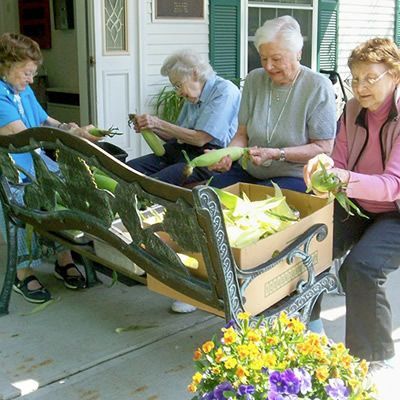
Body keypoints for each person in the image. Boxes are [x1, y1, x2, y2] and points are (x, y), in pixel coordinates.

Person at [304, 37, 400, 373]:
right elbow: (338, 160)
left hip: (396, 212)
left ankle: (376, 357)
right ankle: (310, 327)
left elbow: (393, 186)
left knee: (362, 268)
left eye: (370, 78)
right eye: (354, 78)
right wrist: (321, 171)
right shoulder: (352, 111)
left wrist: (341, 177)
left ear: (395, 75)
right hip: (359, 203)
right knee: (308, 245)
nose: (360, 87)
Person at [0, 32, 99, 304]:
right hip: (11, 169)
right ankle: (23, 272)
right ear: (6, 66)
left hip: (34, 161)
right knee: (21, 204)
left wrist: (73, 129)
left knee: (65, 195)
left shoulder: (23, 88)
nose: (31, 80)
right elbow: (25, 137)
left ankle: (63, 258)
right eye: (26, 73)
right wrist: (71, 137)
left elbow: (44, 120)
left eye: (33, 73)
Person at [208, 15, 337, 192]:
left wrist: (277, 154)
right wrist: (227, 155)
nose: (268, 66)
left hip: (295, 176)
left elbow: (323, 148)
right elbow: (242, 134)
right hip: (250, 171)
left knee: (259, 202)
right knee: (208, 194)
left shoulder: (317, 86)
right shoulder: (254, 79)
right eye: (263, 58)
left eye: (276, 59)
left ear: (298, 53)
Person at [126, 49, 241, 187]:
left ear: (195, 73)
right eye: (175, 87)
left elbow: (200, 139)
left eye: (179, 85)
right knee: (128, 170)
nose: (178, 92)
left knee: (154, 183)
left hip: (207, 157)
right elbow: (177, 136)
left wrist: (158, 123)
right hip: (181, 151)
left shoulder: (224, 91)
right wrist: (152, 126)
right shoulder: (192, 96)